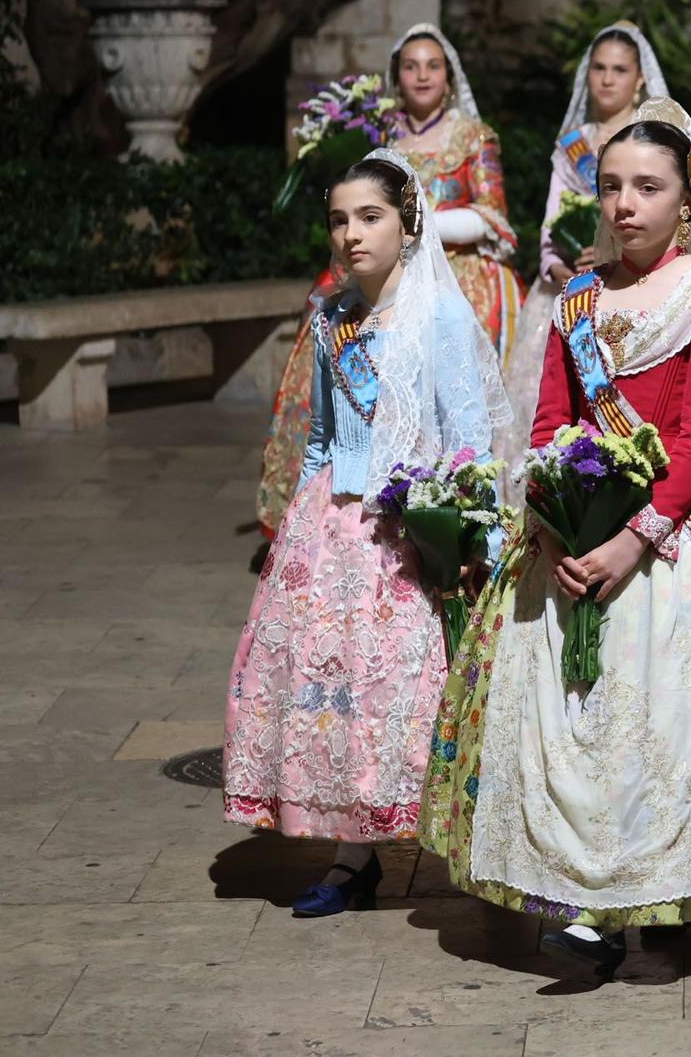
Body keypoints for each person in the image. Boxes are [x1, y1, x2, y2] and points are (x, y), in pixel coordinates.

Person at [420, 98, 691, 978]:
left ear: (686, 201)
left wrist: (629, 541)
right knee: (571, 715)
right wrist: (553, 522)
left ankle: (675, 889)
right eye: (611, 186)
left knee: (672, 715)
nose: (624, 204)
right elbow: (552, 417)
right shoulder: (579, 297)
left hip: (682, 534)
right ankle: (586, 904)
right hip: (573, 530)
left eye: (647, 188)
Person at [224, 149, 510, 917]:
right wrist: (296, 533)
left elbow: (471, 438)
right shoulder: (331, 318)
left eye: (370, 216)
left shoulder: (440, 315)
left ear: (410, 223)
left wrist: (462, 535)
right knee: (337, 692)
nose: (351, 233)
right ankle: (355, 856)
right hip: (330, 532)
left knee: (413, 688)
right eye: (338, 219)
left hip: (405, 534)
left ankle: (478, 842)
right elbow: (321, 437)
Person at [256, 23, 523, 537]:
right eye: (410, 65)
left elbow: (496, 216)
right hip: (336, 514)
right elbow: (319, 438)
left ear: (449, 77)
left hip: (452, 266)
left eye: (433, 65)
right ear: (396, 78)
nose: (422, 75)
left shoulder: (474, 136)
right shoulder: (379, 141)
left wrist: (423, 226)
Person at [498, 21, 665, 462]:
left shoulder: (652, 138)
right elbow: (552, 223)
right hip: (569, 288)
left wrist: (612, 254)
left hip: (636, 287)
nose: (608, 79)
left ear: (640, 78)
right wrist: (559, 266)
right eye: (599, 68)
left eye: (620, 69)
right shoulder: (573, 146)